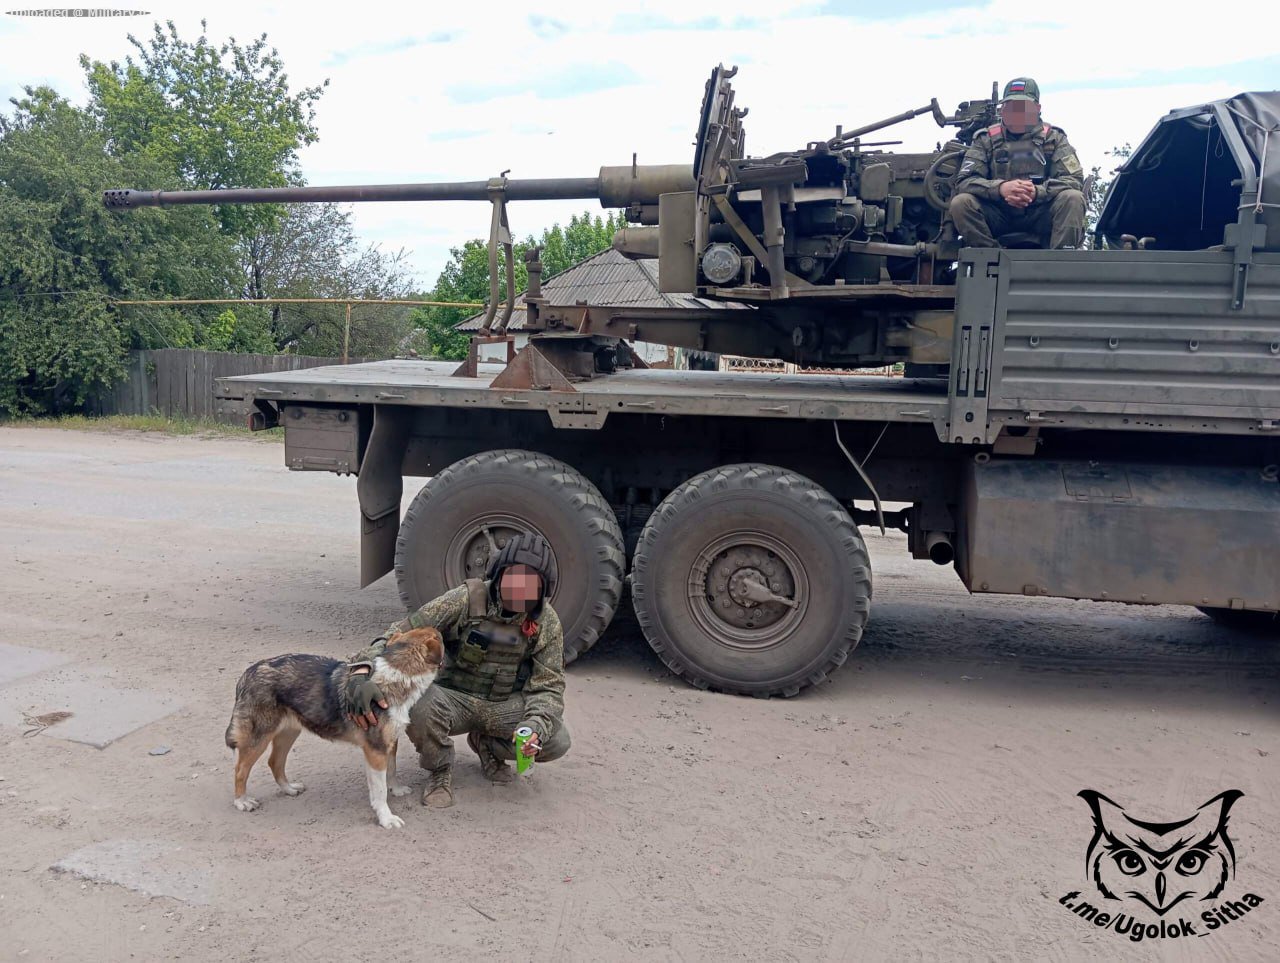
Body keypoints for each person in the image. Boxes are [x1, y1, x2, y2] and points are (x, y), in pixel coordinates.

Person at [344, 532, 568, 809]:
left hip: (502, 706)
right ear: (499, 575)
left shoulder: (547, 623)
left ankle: (488, 746)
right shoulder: (465, 599)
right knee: (415, 704)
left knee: (555, 740)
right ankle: (439, 771)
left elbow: (549, 685)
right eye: (514, 577)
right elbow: (401, 632)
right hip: (451, 700)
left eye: (530, 584)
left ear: (542, 589)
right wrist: (361, 669)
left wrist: (535, 727)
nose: (520, 589)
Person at [950, 77, 1086, 250]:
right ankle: (993, 258)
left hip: (1041, 213)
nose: (1017, 113)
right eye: (1011, 107)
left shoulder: (1054, 138)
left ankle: (1058, 266)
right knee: (961, 203)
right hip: (999, 215)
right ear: (1003, 109)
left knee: (1073, 198)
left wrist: (1037, 192)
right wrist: (1000, 189)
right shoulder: (985, 139)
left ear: (1037, 109)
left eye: (1023, 107)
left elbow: (1073, 179)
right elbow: (964, 181)